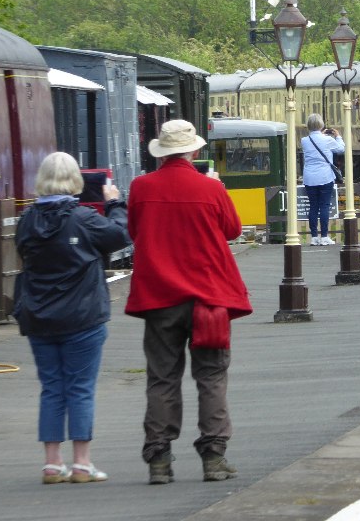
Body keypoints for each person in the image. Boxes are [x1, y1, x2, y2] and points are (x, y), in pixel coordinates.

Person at [125, 119, 253, 485]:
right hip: (208, 298)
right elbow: (232, 229)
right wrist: (218, 192)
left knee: (162, 378)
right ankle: (214, 458)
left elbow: (135, 231)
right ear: (194, 150)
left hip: (160, 297)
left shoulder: (141, 187)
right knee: (211, 375)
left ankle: (159, 461)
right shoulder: (209, 188)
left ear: (162, 152)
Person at [14, 152, 131, 485]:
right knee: (79, 389)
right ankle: (81, 463)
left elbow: (25, 254)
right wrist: (115, 203)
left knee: (52, 388)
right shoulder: (83, 218)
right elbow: (121, 236)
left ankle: (52, 464)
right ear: (76, 182)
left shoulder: (27, 220)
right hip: (83, 317)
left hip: (40, 317)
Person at [301, 113, 345, 245]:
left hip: (309, 178)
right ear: (321, 125)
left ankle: (314, 237)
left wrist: (321, 134)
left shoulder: (304, 140)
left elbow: (315, 142)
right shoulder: (328, 140)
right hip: (325, 177)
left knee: (313, 207)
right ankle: (325, 236)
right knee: (324, 206)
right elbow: (341, 149)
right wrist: (337, 136)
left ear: (308, 126)